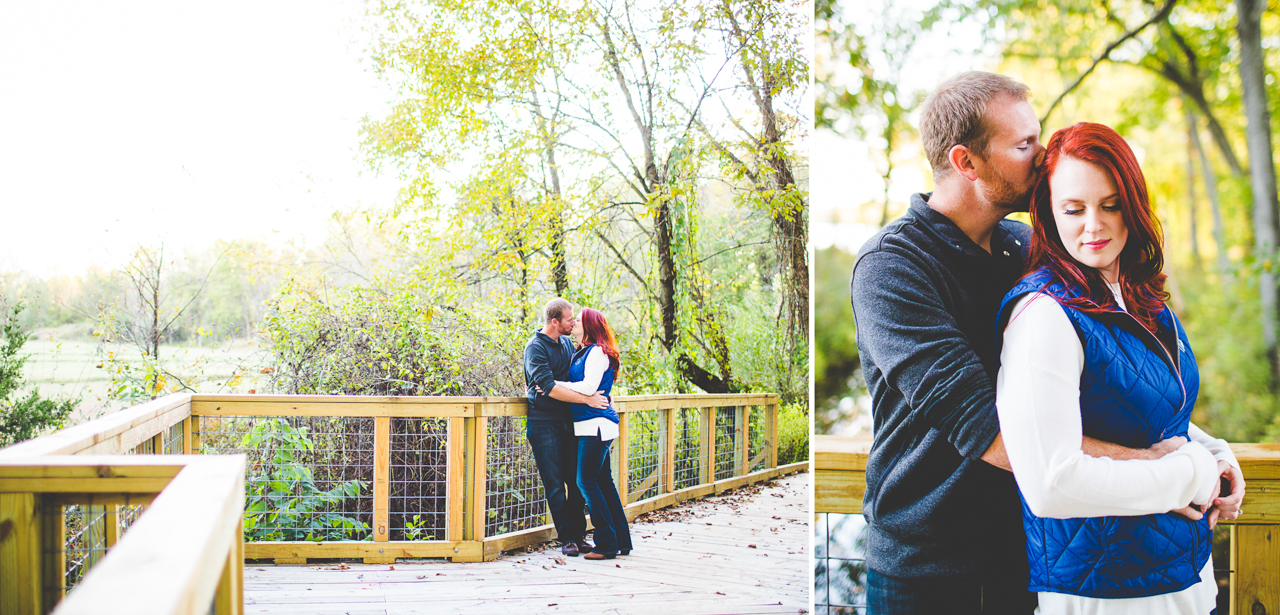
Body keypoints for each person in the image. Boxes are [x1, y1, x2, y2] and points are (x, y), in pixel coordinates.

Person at [849, 72, 1191, 614]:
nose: (1043, 155)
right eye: (1024, 144)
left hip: (1029, 557)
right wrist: (1159, 464)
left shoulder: (1026, 246)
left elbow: (1113, 376)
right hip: (930, 570)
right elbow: (992, 430)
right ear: (967, 162)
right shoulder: (893, 268)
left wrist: (1201, 445)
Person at [994, 121, 1244, 613]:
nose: (1094, 225)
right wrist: (1193, 473)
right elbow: (1051, 483)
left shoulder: (1140, 298)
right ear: (1048, 212)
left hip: (1183, 579)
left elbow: (1147, 408)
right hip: (1103, 593)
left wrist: (1215, 453)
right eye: (1074, 208)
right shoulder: (1043, 316)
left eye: (1111, 204)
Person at [523, 298, 608, 557]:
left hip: (571, 421)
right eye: (570, 319)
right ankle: (567, 538)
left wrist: (585, 394)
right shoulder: (535, 348)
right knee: (555, 484)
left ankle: (579, 535)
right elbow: (548, 388)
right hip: (543, 423)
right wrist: (586, 398)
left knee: (577, 480)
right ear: (554, 322)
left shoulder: (568, 344)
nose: (574, 323)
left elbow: (573, 381)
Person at [554, 307, 633, 560]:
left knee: (585, 481)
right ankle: (621, 539)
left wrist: (552, 384)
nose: (574, 322)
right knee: (603, 483)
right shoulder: (582, 351)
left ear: (589, 326)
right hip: (591, 424)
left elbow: (589, 387)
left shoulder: (597, 351)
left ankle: (606, 543)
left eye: (578, 320)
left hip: (596, 425)